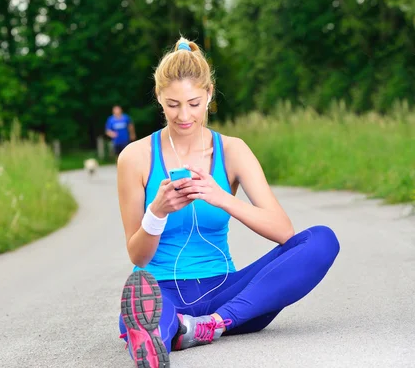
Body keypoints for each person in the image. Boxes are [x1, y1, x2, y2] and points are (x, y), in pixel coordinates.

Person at [115, 37, 340, 368]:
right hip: (160, 290)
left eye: (193, 102)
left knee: (322, 240)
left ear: (208, 95)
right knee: (154, 318)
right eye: (173, 104)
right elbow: (137, 254)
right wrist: (157, 211)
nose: (184, 115)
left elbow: (284, 232)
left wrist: (221, 197)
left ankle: (211, 325)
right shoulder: (135, 157)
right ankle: (157, 338)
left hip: (228, 293)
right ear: (159, 98)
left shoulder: (233, 151)